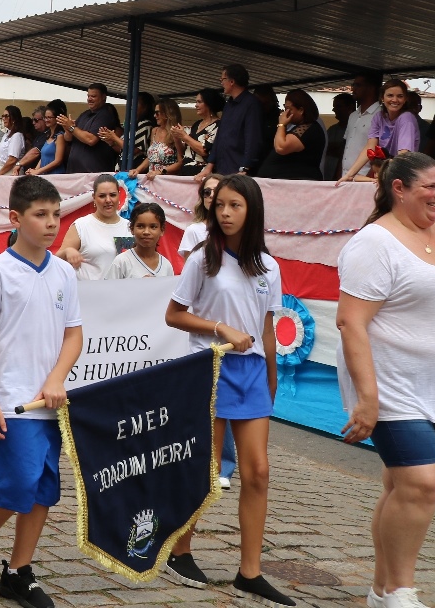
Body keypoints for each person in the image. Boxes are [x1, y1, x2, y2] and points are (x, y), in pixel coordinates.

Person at [163, 175, 294, 605]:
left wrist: (271, 381)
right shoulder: (203, 259)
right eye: (220, 204)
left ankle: (250, 572)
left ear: (251, 209)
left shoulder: (269, 266)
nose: (225, 212)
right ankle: (180, 551)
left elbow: (267, 329)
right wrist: (220, 328)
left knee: (258, 472)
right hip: (211, 368)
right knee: (208, 468)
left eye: (235, 205)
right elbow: (174, 315)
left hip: (253, 375)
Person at [336, 152, 435, 608]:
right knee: (423, 485)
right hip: (392, 386)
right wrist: (368, 399)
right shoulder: (374, 243)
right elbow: (351, 322)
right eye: (430, 186)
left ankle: (381, 590)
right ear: (399, 189)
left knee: (399, 486)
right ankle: (403, 592)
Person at [0, 175, 82, 608]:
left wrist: (56, 378)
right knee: (17, 485)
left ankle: (19, 570)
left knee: (44, 489)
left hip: (51, 401)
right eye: (40, 215)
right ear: (16, 218)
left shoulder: (65, 272)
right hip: (13, 399)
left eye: (56, 215)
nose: (52, 224)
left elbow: (73, 335)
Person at [341, 79, 421, 184]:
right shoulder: (378, 117)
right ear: (382, 98)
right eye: (390, 95)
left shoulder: (406, 118)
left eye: (400, 96)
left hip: (402, 175)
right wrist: (349, 174)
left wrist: (387, 177)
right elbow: (370, 147)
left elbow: (403, 154)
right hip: (386, 173)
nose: (395, 100)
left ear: (405, 99)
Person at [57, 174, 129, 281]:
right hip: (88, 294)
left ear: (119, 196)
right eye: (102, 196)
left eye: (112, 195)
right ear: (94, 198)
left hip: (121, 293)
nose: (108, 200)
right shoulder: (81, 225)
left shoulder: (129, 227)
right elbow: (57, 259)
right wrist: (68, 251)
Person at [204, 64, 265, 177]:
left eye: (222, 79)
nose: (221, 82)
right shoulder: (229, 104)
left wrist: (245, 167)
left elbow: (253, 138)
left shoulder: (251, 104)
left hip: (239, 169)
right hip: (223, 167)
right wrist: (210, 165)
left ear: (231, 81)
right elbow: (220, 135)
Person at [258, 89, 327, 181]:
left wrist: (281, 124)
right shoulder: (299, 127)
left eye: (289, 109)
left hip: (297, 184)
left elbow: (281, 147)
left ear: (301, 110)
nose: (285, 113)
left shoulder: (309, 128)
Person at [57, 84, 120, 175]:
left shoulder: (105, 115)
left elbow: (91, 139)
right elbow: (68, 138)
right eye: (88, 96)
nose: (89, 99)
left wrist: (71, 127)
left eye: (93, 96)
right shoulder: (84, 114)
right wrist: (67, 127)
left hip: (92, 173)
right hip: (75, 171)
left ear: (103, 97)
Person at [103, 204, 175, 278]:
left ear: (162, 230)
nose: (146, 232)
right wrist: (138, 286)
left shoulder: (166, 266)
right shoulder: (122, 261)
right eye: (140, 226)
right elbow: (109, 288)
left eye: (153, 227)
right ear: (131, 228)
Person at [341, 71, 383, 181]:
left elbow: (380, 148)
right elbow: (346, 148)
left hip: (366, 179)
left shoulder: (381, 115)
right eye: (353, 85)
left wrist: (372, 174)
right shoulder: (353, 116)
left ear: (371, 88)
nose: (353, 89)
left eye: (358, 85)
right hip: (345, 176)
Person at [175, 89, 225, 178]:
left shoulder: (218, 125)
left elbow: (204, 151)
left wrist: (184, 136)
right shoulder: (196, 124)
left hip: (201, 173)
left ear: (209, 103)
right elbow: (184, 152)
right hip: (185, 171)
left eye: (199, 102)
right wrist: (177, 137)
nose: (196, 105)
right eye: (196, 102)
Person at [129, 99, 183, 178]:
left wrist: (160, 171)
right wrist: (137, 170)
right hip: (152, 178)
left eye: (157, 113)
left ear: (167, 113)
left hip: (168, 179)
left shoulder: (178, 132)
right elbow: (150, 158)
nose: (154, 116)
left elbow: (181, 162)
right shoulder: (154, 131)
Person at [179, 174, 223, 263]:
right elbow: (189, 271)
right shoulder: (193, 230)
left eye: (217, 190)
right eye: (207, 192)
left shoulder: (235, 229)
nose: (211, 195)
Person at [324, 92, 357, 182]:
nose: (334, 110)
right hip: (327, 177)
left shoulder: (356, 130)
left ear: (350, 107)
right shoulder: (332, 130)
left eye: (338, 106)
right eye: (334, 107)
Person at [31, 103, 68, 176]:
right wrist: (35, 170)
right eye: (45, 117)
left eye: (49, 117)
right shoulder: (48, 135)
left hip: (56, 175)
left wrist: (38, 171)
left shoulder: (60, 136)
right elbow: (43, 157)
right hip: (46, 175)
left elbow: (58, 161)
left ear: (56, 118)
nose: (46, 120)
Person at [0, 106, 27, 177]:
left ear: (14, 118)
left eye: (6, 116)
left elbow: (12, 160)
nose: (3, 118)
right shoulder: (6, 135)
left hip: (10, 172)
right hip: (1, 171)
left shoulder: (17, 136)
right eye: (3, 116)